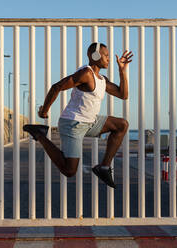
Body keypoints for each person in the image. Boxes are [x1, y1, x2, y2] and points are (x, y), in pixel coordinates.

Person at [23, 42, 133, 189]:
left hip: (90, 123)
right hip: (73, 124)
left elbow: (123, 94)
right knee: (69, 170)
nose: (109, 59)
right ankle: (40, 134)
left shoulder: (102, 80)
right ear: (95, 56)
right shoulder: (86, 74)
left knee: (122, 125)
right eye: (106, 55)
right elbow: (57, 87)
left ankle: (104, 168)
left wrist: (122, 71)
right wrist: (44, 111)